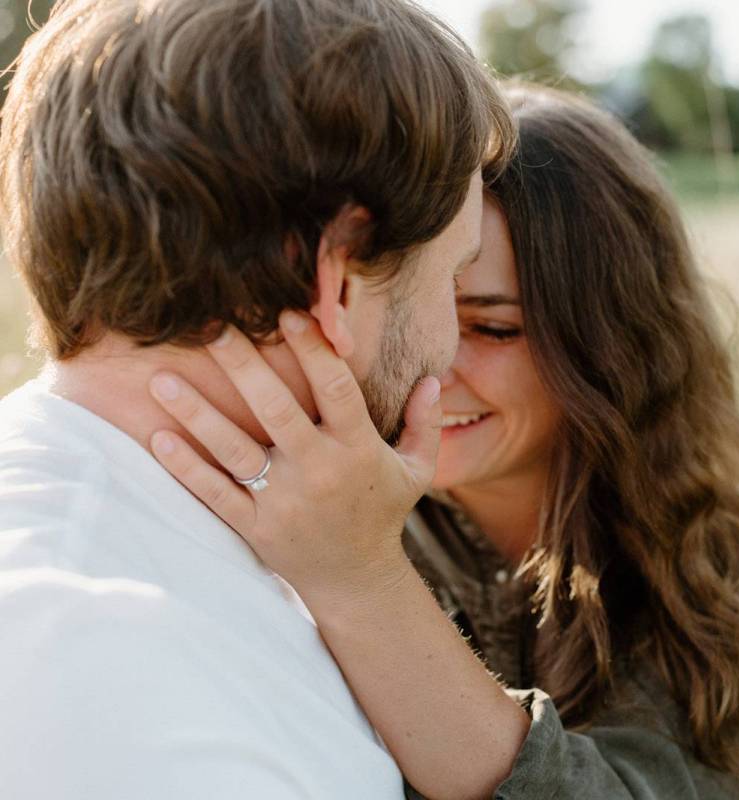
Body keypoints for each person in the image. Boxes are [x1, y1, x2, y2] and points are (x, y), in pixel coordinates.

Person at [153, 86, 739, 800]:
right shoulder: (292, 500)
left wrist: (361, 580)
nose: (431, 362)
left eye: (492, 328)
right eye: (409, 315)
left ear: (612, 349)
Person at [0, 0, 516, 797]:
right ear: (335, 278)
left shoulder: (194, 534)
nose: (447, 350)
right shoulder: (102, 674)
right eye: (451, 278)